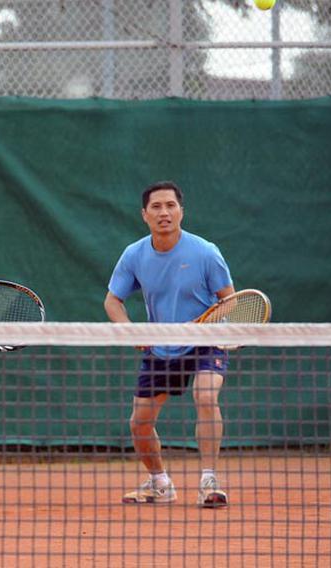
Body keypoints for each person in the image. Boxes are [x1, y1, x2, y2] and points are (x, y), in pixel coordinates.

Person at [104, 181, 234, 509]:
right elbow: (112, 301)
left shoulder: (205, 252)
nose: (165, 213)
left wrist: (202, 324)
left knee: (205, 395)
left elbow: (231, 301)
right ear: (144, 215)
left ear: (181, 211)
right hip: (161, 348)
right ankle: (160, 483)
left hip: (205, 341)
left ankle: (209, 481)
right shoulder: (134, 255)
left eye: (171, 206)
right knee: (140, 422)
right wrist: (131, 332)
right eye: (157, 207)